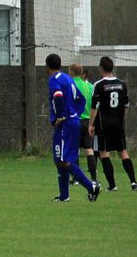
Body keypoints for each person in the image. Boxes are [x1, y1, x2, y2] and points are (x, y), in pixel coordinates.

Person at [46, 54, 100, 202]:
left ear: (47, 66)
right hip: (72, 122)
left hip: (65, 124)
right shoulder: (67, 78)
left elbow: (57, 95)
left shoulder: (54, 79)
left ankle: (91, 187)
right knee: (59, 159)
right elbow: (81, 99)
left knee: (64, 160)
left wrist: (60, 116)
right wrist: (75, 113)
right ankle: (64, 196)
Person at [89, 57, 137, 191]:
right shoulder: (122, 84)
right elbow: (126, 106)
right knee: (123, 152)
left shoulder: (99, 85)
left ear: (101, 68)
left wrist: (91, 124)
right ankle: (134, 182)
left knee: (104, 153)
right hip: (118, 124)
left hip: (104, 125)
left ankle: (112, 185)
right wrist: (120, 119)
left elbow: (94, 107)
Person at [69, 63, 97, 185]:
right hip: (88, 121)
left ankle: (76, 178)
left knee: (74, 149)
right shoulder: (90, 87)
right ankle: (94, 179)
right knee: (89, 150)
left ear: (72, 72)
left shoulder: (71, 84)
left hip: (75, 120)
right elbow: (93, 105)